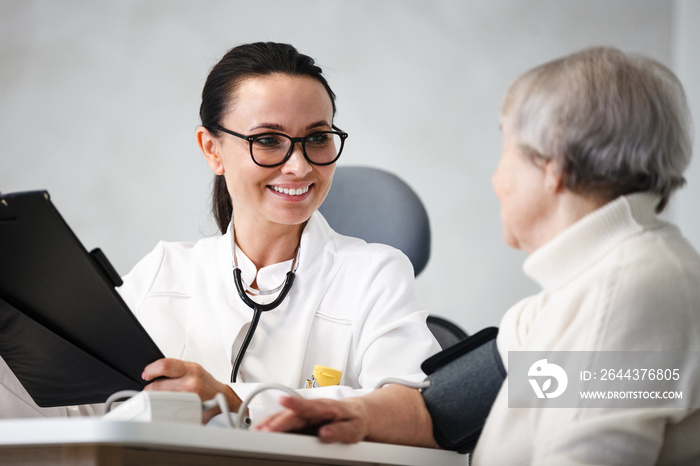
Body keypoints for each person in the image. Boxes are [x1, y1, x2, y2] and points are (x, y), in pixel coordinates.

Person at [256, 47, 700, 464]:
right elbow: (439, 413)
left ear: (553, 166)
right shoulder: (574, 296)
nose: (496, 179)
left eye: (506, 149)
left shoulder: (627, 292)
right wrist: (361, 415)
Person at [0, 42, 440, 421]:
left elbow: (418, 411)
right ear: (212, 150)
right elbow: (85, 404)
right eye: (268, 140)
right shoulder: (165, 272)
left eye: (318, 137)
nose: (300, 165)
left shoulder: (374, 274)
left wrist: (233, 402)